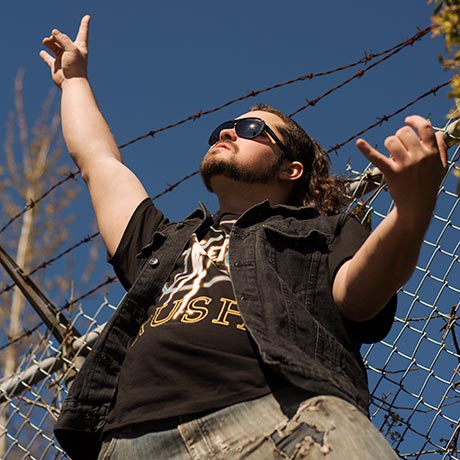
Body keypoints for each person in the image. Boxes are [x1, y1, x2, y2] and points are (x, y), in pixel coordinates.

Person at [40, 15, 447, 460]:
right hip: (133, 442)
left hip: (285, 417)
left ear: (290, 168)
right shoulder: (162, 244)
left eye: (252, 130)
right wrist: (75, 81)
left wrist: (412, 212)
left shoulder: (323, 232)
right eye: (224, 128)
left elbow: (359, 297)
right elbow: (99, 162)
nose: (228, 131)